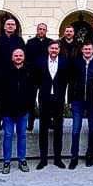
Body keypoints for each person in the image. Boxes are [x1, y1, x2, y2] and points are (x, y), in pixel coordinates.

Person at [0, 48, 35, 174]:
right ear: (12, 57)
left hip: (23, 111)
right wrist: (1, 110)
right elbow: (0, 92)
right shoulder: (5, 71)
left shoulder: (29, 71)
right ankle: (6, 162)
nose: (18, 57)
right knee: (8, 136)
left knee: (22, 136)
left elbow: (32, 92)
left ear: (24, 57)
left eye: (20, 55)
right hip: (8, 111)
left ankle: (22, 160)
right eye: (16, 55)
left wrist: (30, 107)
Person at [36, 40, 68, 169]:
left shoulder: (65, 62)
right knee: (43, 129)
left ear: (59, 50)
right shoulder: (40, 62)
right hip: (44, 99)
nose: (54, 50)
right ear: (48, 49)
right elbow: (36, 80)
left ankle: (57, 158)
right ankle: (43, 159)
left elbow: (66, 80)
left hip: (58, 100)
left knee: (58, 129)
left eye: (56, 48)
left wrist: (64, 97)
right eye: (52, 48)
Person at [69, 42, 93, 168]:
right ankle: (74, 156)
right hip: (77, 100)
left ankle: (89, 154)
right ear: (82, 50)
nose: (87, 51)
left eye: (89, 49)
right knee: (76, 129)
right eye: (85, 49)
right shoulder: (76, 62)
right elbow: (71, 82)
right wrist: (70, 100)